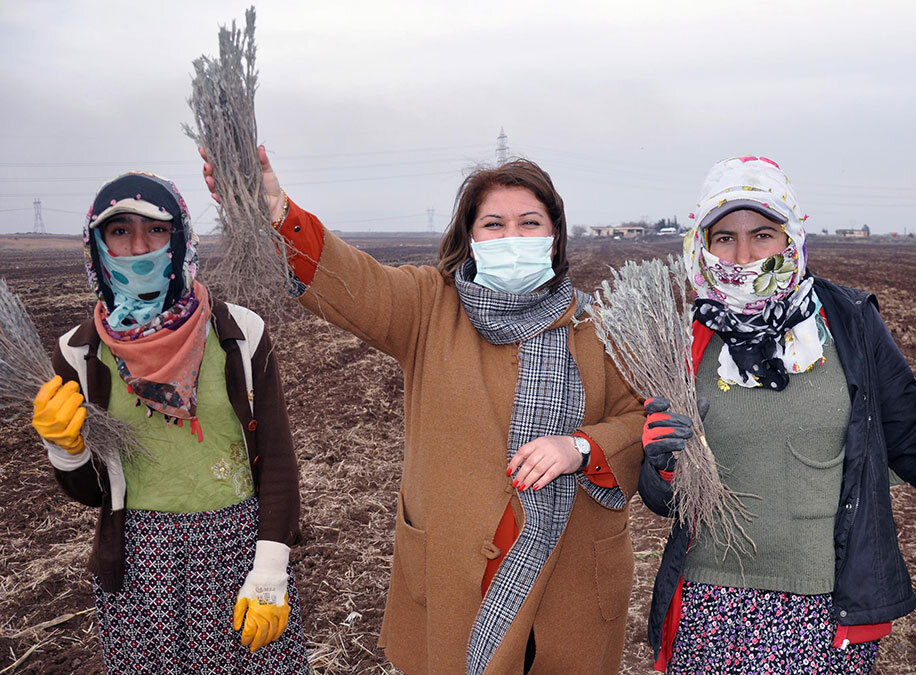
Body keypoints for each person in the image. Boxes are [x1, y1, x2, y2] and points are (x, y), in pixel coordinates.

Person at [202, 147, 645, 674]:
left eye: (530, 223)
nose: (512, 236)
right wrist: (277, 210)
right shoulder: (429, 306)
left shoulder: (598, 327)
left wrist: (578, 448)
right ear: (470, 238)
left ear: (554, 236)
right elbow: (353, 280)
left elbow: (640, 419)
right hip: (458, 575)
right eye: (494, 224)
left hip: (567, 577)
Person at [638, 156, 916, 673]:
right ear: (701, 245)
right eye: (724, 238)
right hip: (711, 605)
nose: (743, 256)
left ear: (791, 237)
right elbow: (664, 499)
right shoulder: (685, 340)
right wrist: (660, 466)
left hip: (825, 608)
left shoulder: (849, 323)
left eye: (762, 235)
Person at [30, 172, 308, 672]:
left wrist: (270, 571)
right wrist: (64, 449)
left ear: (179, 237)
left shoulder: (240, 333)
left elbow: (279, 463)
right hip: (141, 565)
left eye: (156, 230)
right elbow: (93, 492)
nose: (139, 247)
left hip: (235, 551)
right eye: (120, 231)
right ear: (97, 245)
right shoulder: (78, 354)